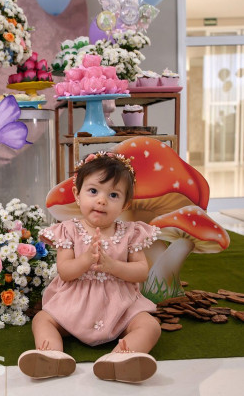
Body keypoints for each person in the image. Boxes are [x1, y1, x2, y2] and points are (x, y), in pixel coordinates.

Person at [18, 151, 162, 383]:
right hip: (73, 305)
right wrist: (86, 260)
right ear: (77, 194)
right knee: (42, 319)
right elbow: (65, 272)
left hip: (119, 306)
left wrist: (112, 265)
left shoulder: (131, 232)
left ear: (125, 204)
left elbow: (141, 271)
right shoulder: (68, 230)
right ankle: (51, 355)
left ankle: (122, 357)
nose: (101, 200)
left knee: (150, 326)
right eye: (93, 191)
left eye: (113, 195)